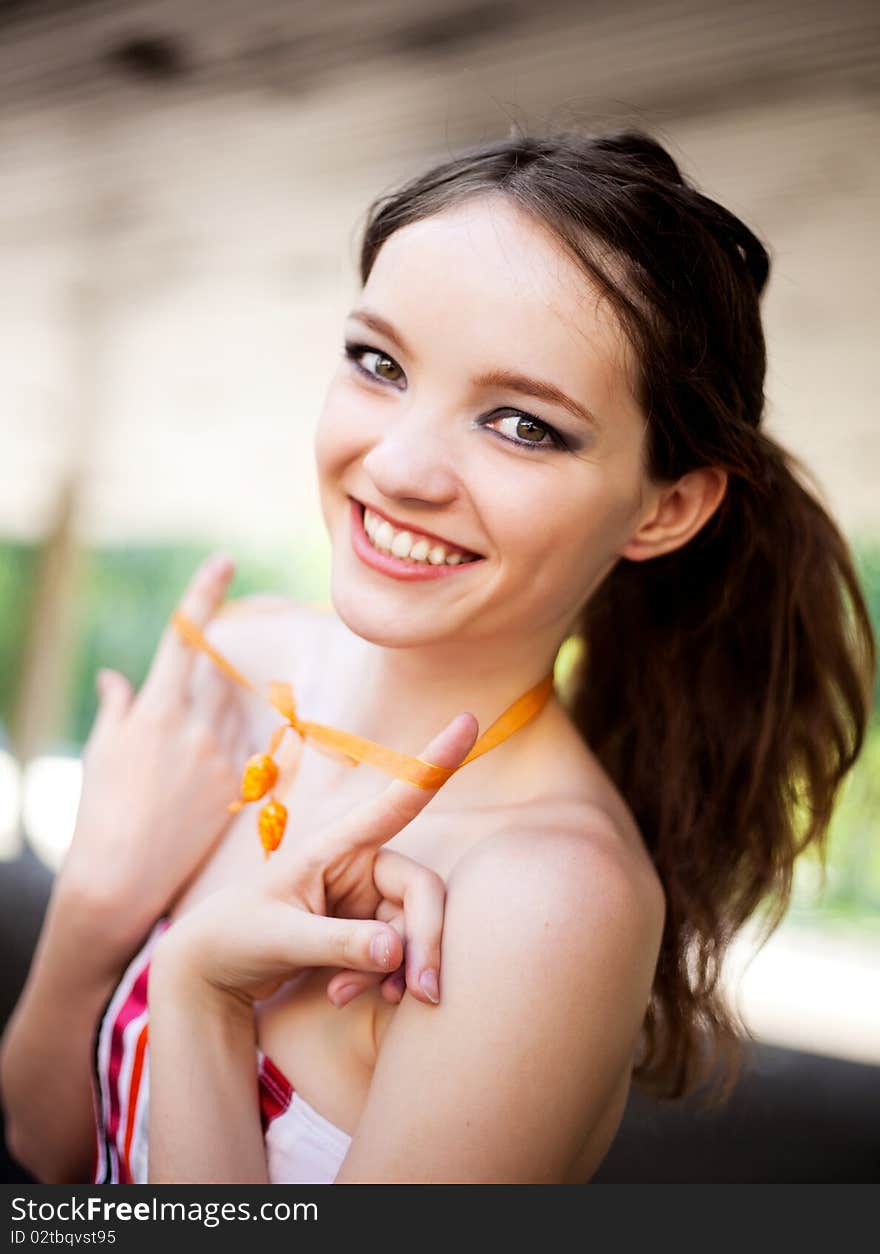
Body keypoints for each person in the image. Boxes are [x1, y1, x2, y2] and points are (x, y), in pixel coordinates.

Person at [0, 127, 874, 1185]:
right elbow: (46, 1152)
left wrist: (197, 993)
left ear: (667, 505)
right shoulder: (229, 668)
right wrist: (93, 911)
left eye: (520, 425)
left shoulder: (546, 898)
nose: (401, 466)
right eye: (379, 363)